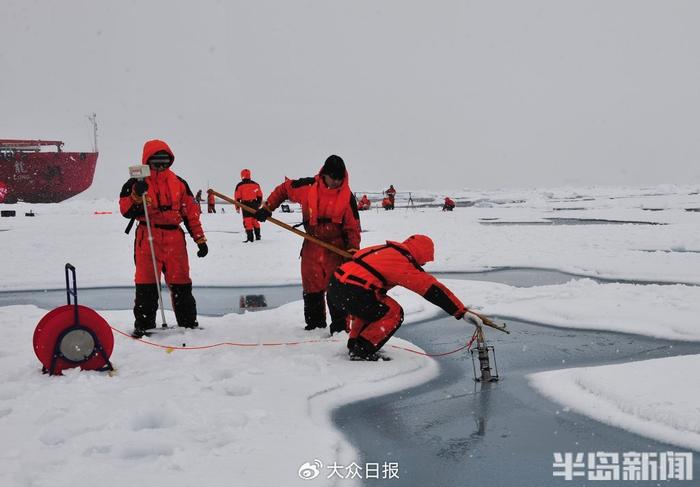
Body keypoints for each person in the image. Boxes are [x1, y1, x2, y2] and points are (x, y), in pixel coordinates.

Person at [254, 155, 361, 331]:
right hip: (312, 245)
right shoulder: (308, 187)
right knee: (312, 288)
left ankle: (340, 331)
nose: (335, 182)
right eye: (332, 178)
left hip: (336, 249)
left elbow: (353, 228)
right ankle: (314, 327)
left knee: (337, 290)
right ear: (324, 174)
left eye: (339, 179)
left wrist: (352, 251)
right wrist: (267, 208)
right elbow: (284, 189)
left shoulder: (347, 197)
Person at [327, 235, 469, 360]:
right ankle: (363, 349)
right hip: (354, 291)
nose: (423, 265)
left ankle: (355, 344)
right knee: (393, 313)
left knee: (371, 310)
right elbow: (431, 289)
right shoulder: (401, 263)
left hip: (335, 287)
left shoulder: (384, 250)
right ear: (420, 254)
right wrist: (460, 311)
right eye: (423, 261)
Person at [119, 139, 209, 337]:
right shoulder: (136, 183)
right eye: (156, 162)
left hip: (174, 238)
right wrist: (135, 196)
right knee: (146, 283)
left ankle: (187, 324)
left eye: (164, 161)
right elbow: (125, 210)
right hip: (147, 235)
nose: (160, 166)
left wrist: (200, 240)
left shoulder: (179, 183)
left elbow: (190, 214)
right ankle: (144, 325)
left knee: (181, 282)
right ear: (147, 161)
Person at [234, 168, 264, 242]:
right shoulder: (256, 184)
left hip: (245, 205)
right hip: (254, 204)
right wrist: (258, 204)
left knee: (248, 221)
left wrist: (237, 207)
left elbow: (237, 197)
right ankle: (258, 237)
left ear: (242, 175)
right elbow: (260, 196)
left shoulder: (239, 185)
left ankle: (250, 239)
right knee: (255, 220)